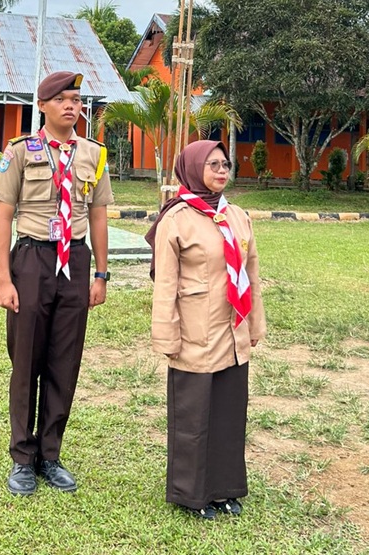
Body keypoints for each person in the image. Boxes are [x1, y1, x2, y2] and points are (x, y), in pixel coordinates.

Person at [0, 71, 113, 496]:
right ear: (42, 106)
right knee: (26, 360)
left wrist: (101, 274)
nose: (71, 106)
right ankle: (22, 458)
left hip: (74, 260)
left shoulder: (93, 154)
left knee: (65, 361)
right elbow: (3, 215)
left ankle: (50, 454)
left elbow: (98, 216)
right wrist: (3, 279)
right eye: (61, 99)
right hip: (32, 259)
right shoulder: (21, 151)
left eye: (76, 100)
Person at [147, 140, 266, 520]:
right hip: (195, 332)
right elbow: (165, 284)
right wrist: (166, 335)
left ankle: (224, 489)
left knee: (229, 414)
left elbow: (251, 275)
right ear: (193, 167)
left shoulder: (237, 216)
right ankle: (191, 494)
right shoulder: (177, 219)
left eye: (225, 164)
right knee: (193, 418)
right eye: (212, 164)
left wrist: (255, 324)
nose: (221, 170)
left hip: (232, 332)